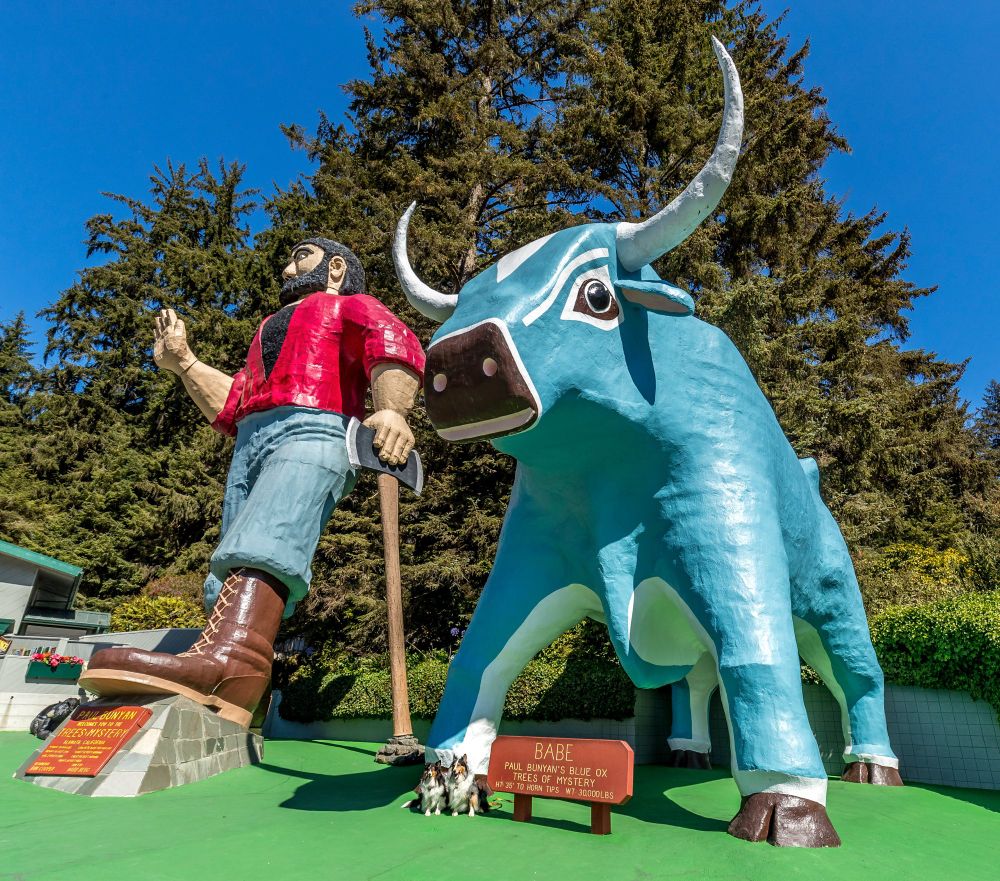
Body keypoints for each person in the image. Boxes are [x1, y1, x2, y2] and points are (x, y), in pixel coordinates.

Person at [80, 238, 425, 727]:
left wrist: (391, 407)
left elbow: (390, 340)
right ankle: (239, 687)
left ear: (336, 268)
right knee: (229, 554)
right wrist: (185, 362)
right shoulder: (269, 328)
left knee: (272, 529)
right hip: (251, 438)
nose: (287, 267)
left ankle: (233, 663)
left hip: (317, 425)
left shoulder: (351, 305)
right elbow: (235, 400)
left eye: (300, 255)